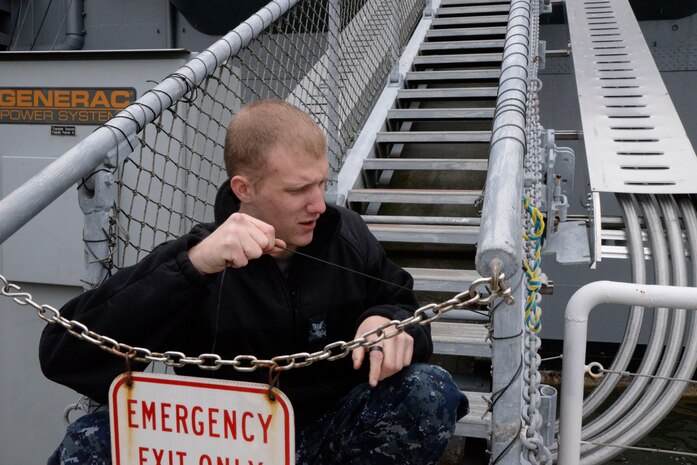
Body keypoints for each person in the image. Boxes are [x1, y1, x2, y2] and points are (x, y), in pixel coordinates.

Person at [40, 99, 468, 465]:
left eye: (321, 182)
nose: (319, 203)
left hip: (327, 432)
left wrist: (388, 322)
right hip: (222, 442)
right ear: (245, 188)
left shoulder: (346, 235)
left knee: (427, 390)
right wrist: (190, 267)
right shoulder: (196, 260)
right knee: (90, 442)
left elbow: (402, 301)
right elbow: (63, 355)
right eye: (299, 189)